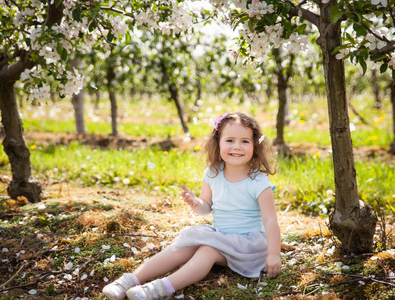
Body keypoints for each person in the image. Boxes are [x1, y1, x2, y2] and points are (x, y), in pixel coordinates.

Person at [102, 112, 281, 300]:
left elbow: (270, 221)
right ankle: (129, 280)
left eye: (245, 141)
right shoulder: (213, 173)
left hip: (248, 245)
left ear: (255, 146)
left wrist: (274, 255)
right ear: (218, 142)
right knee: (184, 245)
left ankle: (159, 289)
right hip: (221, 237)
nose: (237, 147)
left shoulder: (258, 182)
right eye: (230, 140)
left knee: (207, 250)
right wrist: (196, 203)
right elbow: (206, 208)